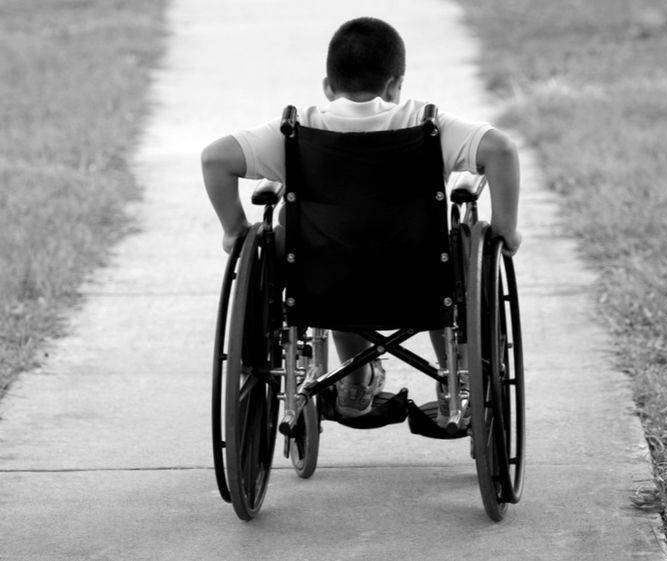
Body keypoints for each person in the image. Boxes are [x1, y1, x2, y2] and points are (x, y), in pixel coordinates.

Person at [201, 17, 521, 423]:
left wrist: (234, 231)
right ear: (395, 85)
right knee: (453, 251)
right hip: (421, 277)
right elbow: (501, 151)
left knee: (322, 247)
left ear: (328, 86)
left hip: (323, 282)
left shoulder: (298, 129)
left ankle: (355, 380)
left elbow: (215, 159)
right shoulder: (428, 125)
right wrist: (506, 230)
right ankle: (454, 376)